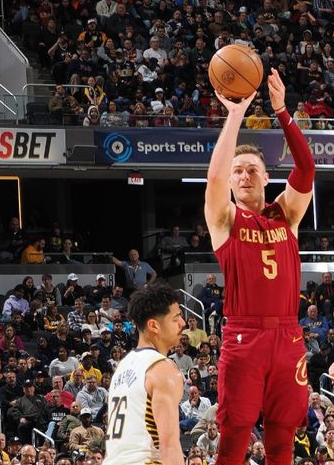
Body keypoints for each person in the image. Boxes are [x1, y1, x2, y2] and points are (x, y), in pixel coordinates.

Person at [204, 67, 315, 465]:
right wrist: (234, 115)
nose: (244, 175)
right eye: (238, 171)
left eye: (253, 169)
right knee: (234, 436)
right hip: (244, 337)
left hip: (287, 336)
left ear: (268, 177)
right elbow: (214, 177)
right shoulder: (225, 220)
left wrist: (282, 112)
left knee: (282, 436)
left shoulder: (287, 214)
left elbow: (306, 169)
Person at [102, 283, 185, 465]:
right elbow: (168, 445)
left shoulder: (122, 366)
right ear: (154, 325)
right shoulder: (162, 368)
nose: (183, 323)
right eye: (176, 317)